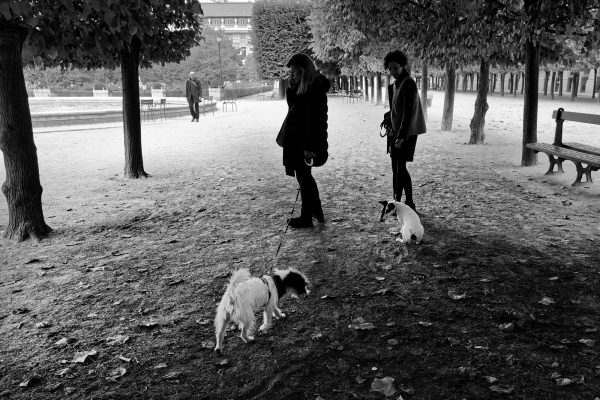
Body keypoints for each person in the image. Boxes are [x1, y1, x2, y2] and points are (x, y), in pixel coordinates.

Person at [278, 53, 330, 228]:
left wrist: (308, 147)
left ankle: (306, 217)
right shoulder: (302, 87)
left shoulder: (314, 88)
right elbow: (292, 107)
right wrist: (291, 86)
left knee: (304, 177)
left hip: (306, 142)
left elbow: (314, 121)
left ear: (303, 70)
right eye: (291, 72)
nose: (291, 75)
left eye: (294, 72)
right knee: (304, 177)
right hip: (297, 139)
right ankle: (315, 212)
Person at [384, 50, 426, 212]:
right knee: (396, 167)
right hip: (397, 131)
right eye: (390, 69)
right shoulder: (398, 82)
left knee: (400, 168)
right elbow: (397, 109)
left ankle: (408, 203)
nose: (393, 71)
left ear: (402, 66)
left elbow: (408, 113)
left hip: (405, 133)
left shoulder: (407, 83)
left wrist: (401, 137)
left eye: (395, 68)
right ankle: (400, 202)